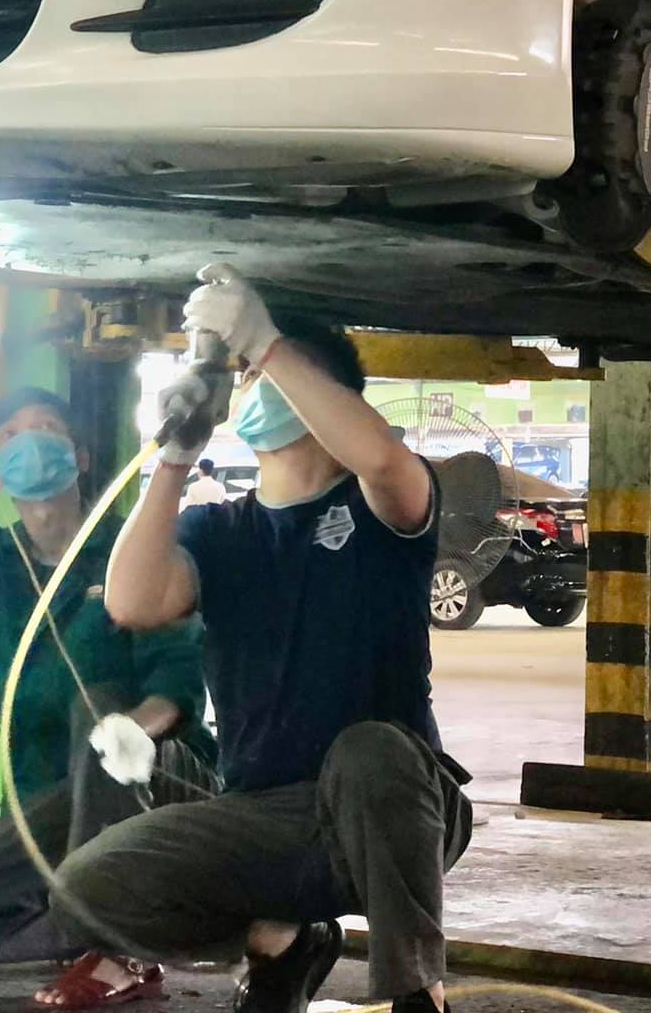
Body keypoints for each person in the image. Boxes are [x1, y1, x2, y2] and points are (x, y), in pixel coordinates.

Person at [60, 266, 471, 1013]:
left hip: (398, 808)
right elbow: (132, 599)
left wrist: (264, 339)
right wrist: (175, 457)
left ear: (327, 394)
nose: (249, 382)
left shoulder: (381, 504)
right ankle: (279, 941)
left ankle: (419, 994)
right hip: (266, 815)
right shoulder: (218, 530)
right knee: (90, 884)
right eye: (247, 373)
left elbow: (380, 457)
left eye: (261, 372)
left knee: (368, 751)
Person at [0, 387, 219, 1010]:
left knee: (97, 706)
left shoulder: (132, 553)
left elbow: (177, 683)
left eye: (47, 427)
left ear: (79, 458)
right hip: (47, 803)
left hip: (151, 780)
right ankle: (104, 932)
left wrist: (133, 729)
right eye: (10, 435)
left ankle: (116, 949)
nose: (30, 440)